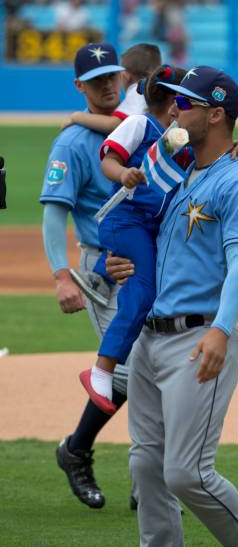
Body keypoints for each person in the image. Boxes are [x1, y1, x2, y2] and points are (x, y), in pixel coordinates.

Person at [106, 67, 238, 547]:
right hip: (151, 339)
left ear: (215, 113)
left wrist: (220, 326)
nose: (173, 111)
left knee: (187, 472)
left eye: (185, 104)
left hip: (199, 338)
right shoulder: (182, 171)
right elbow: (158, 244)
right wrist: (124, 266)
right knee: (148, 471)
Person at [41, 43, 128, 509]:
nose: (107, 85)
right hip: (101, 269)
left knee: (156, 365)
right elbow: (55, 214)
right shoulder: (72, 145)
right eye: (96, 81)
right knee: (132, 371)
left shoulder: (133, 126)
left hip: (147, 265)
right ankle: (76, 450)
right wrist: (61, 276)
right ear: (80, 87)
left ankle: (147, 473)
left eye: (112, 75)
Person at [77, 64, 188, 414]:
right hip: (125, 221)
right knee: (143, 288)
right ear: (172, 103)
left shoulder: (176, 133)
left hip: (149, 226)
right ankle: (103, 367)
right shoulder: (139, 124)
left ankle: (100, 273)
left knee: (153, 284)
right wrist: (124, 173)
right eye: (183, 101)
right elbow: (109, 159)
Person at [65, 43, 162, 141]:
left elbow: (114, 124)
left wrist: (77, 117)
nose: (107, 85)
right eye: (97, 79)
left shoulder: (137, 92)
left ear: (124, 76)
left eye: (111, 75)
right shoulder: (158, 89)